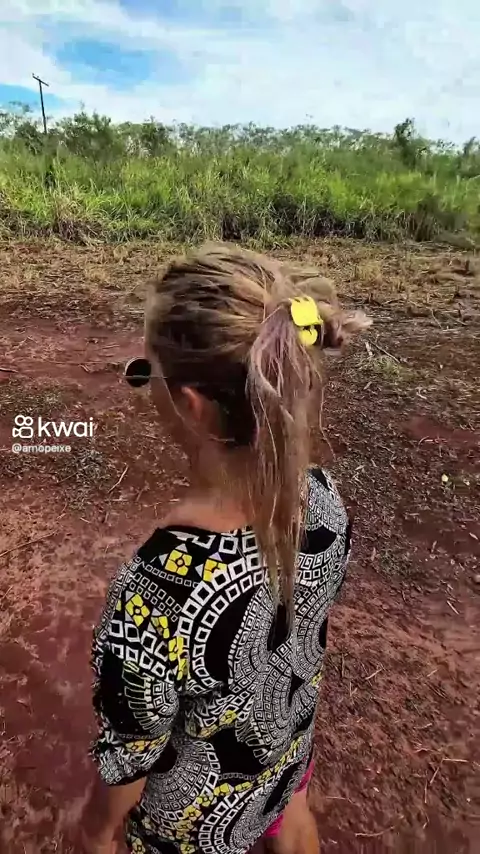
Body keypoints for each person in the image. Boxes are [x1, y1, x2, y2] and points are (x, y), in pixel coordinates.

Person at [82, 244, 370, 854]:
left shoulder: (154, 592)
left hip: (194, 822)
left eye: (148, 370)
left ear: (192, 406)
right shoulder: (323, 500)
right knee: (293, 819)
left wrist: (99, 830)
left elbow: (133, 754)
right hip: (285, 753)